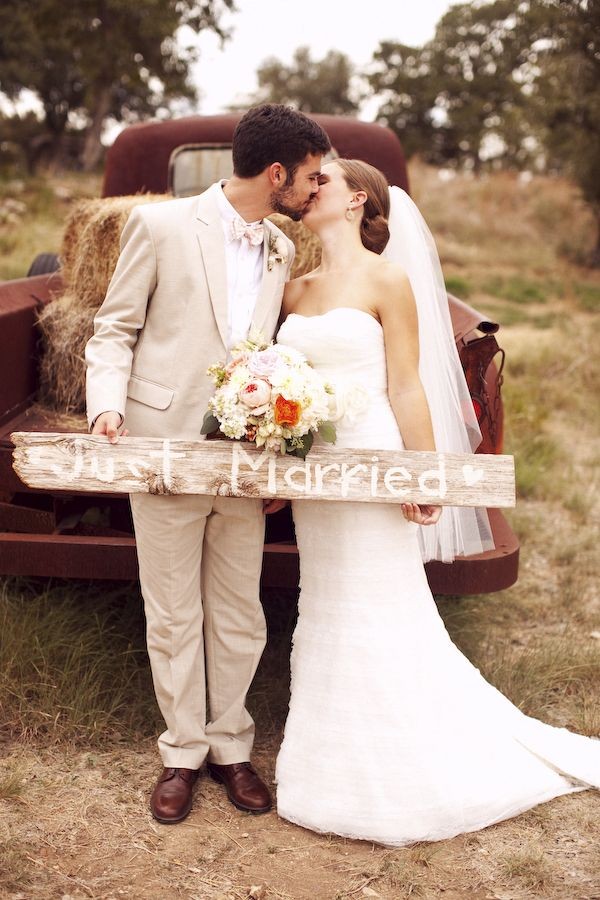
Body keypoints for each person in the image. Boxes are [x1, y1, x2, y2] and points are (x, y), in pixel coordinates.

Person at [274, 158, 600, 846]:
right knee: (325, 598)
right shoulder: (293, 286)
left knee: (377, 599)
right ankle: (322, 764)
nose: (308, 190)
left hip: (376, 454)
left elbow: (407, 386)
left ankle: (400, 769)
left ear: (358, 197)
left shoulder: (388, 279)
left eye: (323, 180)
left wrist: (422, 475)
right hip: (315, 472)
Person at [85, 104, 331, 824]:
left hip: (245, 458)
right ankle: (182, 753)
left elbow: (272, 352)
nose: (315, 191)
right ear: (276, 172)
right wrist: (108, 408)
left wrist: (280, 451)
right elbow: (113, 328)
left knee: (239, 611)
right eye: (310, 178)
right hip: (161, 446)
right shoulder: (159, 226)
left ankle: (232, 747)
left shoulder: (282, 247)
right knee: (171, 612)